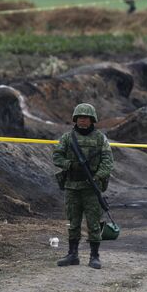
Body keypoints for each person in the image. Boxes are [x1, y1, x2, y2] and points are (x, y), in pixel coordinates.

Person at [53, 103, 114, 269]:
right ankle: (72, 255)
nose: (82, 121)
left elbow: (108, 162)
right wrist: (70, 165)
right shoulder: (67, 138)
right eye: (79, 118)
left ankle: (94, 256)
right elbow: (57, 157)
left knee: (93, 223)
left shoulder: (100, 138)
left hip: (91, 188)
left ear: (92, 120)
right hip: (72, 186)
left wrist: (97, 177)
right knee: (73, 223)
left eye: (85, 118)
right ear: (75, 119)